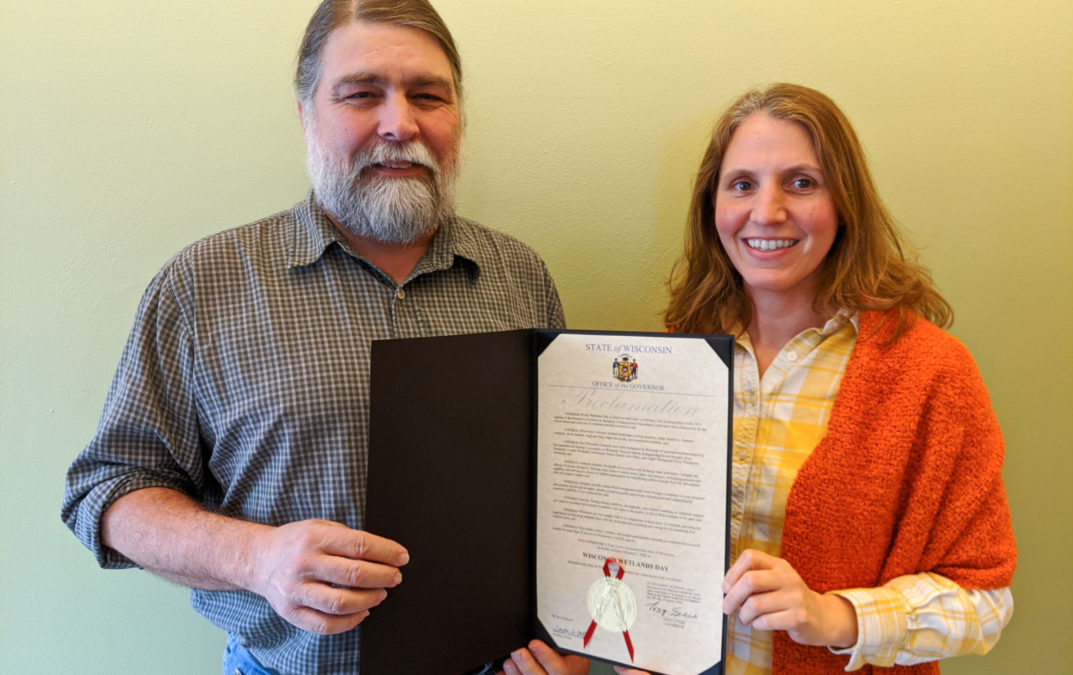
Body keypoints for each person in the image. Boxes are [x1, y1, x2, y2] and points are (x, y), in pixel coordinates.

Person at [61, 2, 587, 674]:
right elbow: (105, 491)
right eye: (362, 94)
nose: (400, 123)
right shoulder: (203, 284)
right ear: (307, 112)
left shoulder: (520, 276)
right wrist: (256, 557)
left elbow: (569, 491)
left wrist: (567, 642)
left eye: (428, 95)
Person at [620, 83, 1016, 674]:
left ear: (844, 203)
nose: (767, 211)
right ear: (713, 206)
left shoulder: (930, 373)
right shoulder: (673, 357)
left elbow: (985, 600)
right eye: (742, 184)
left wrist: (832, 616)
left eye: (801, 182)